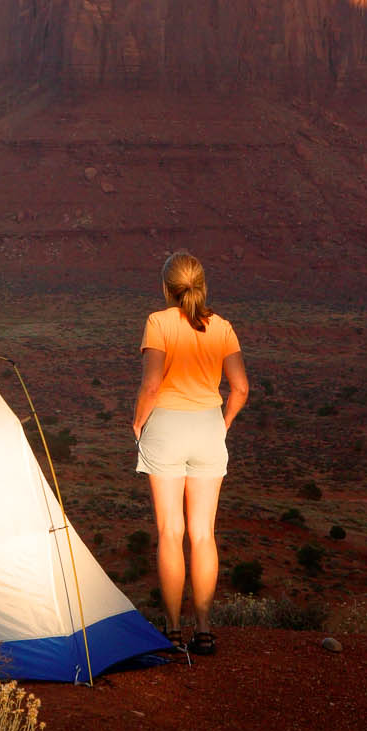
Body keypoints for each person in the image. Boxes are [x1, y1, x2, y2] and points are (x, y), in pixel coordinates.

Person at [133, 250, 249, 657]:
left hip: (166, 427)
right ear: (201, 286)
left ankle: (172, 630)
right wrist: (222, 424)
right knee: (203, 534)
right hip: (207, 429)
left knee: (170, 532)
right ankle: (204, 629)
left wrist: (137, 422)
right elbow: (241, 388)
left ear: (167, 287)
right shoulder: (223, 328)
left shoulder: (158, 323)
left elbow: (151, 385)